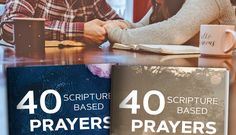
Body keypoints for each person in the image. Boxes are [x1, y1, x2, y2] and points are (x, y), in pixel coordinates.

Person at [104, 0, 236, 46]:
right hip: (189, 70)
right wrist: (122, 25)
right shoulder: (167, 2)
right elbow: (143, 26)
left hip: (223, 75)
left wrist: (116, 34)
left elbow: (173, 32)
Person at [0, 0, 122, 44]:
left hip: (75, 74)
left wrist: (111, 27)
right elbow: (11, 26)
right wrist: (80, 31)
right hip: (26, 74)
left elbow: (120, 24)